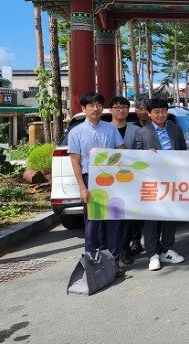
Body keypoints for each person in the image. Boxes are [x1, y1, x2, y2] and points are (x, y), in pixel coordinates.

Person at [68, 92, 125, 278]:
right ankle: (92, 262)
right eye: (91, 105)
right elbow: (75, 162)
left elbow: (122, 152)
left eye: (99, 105)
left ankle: (114, 261)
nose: (95, 108)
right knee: (93, 222)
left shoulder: (111, 129)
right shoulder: (76, 132)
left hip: (112, 179)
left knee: (113, 221)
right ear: (83, 109)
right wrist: (82, 188)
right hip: (89, 179)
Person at [133, 98, 187, 271]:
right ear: (149, 114)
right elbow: (135, 158)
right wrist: (146, 155)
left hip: (173, 179)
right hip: (151, 181)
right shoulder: (142, 132)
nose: (160, 114)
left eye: (163, 111)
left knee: (170, 215)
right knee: (152, 218)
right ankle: (152, 253)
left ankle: (167, 249)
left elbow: (183, 151)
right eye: (156, 112)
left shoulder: (175, 128)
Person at [109, 96, 141, 266]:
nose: (121, 110)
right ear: (111, 110)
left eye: (124, 107)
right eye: (117, 107)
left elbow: (140, 153)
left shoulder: (135, 130)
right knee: (112, 217)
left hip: (130, 179)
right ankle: (110, 250)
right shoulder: (105, 129)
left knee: (128, 215)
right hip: (107, 181)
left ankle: (124, 248)